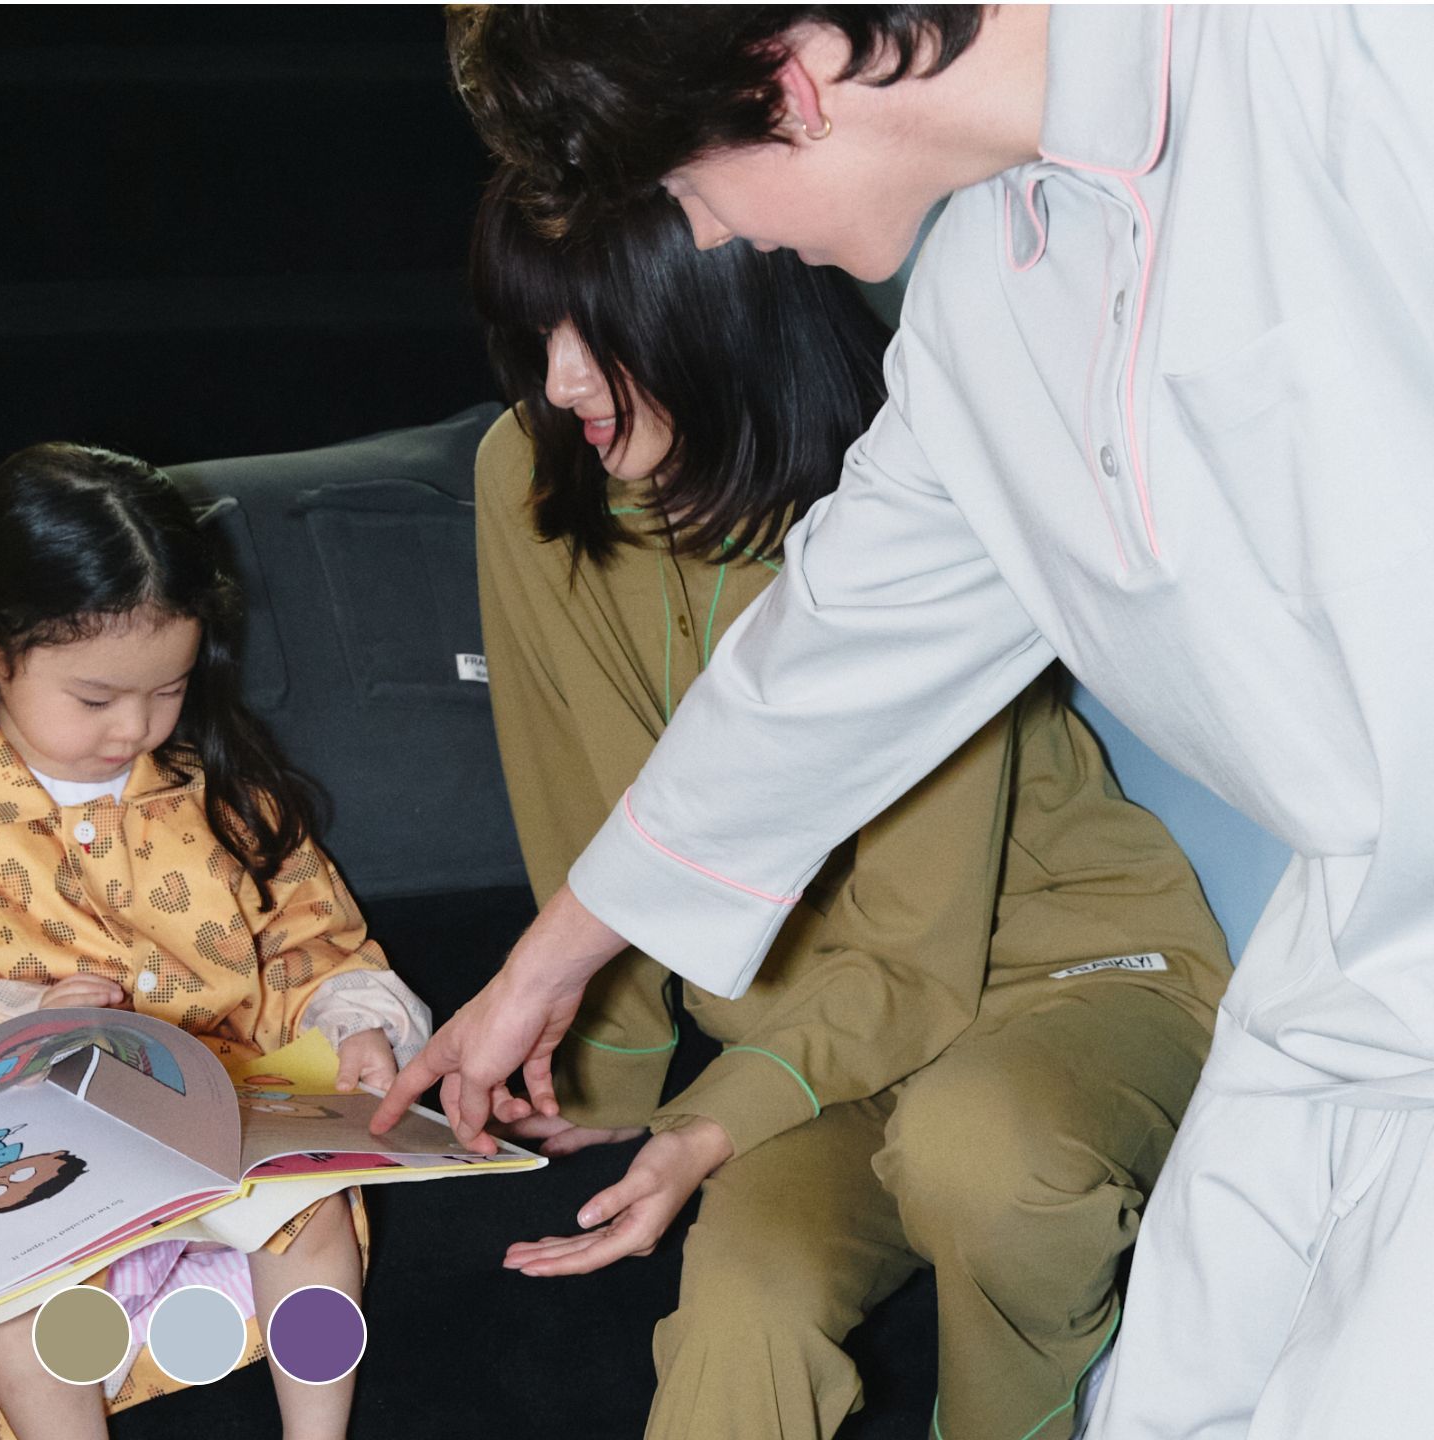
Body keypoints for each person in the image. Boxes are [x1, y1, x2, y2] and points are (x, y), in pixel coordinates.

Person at [374, 7, 1434, 1437]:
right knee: (1170, 1400)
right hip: (1348, 966)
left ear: (787, 83)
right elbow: (822, 662)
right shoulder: (987, 294)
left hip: (1357, 952)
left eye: (684, 189)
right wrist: (546, 970)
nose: (710, 238)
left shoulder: (1348, 52)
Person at [466, 170, 1228, 1439]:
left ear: (719, 305)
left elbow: (921, 951)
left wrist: (715, 1120)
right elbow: (577, 791)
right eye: (535, 327)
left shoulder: (913, 502)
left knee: (976, 1153)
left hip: (1067, 981)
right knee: (745, 1310)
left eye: (599, 329)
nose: (560, 380)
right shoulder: (534, 473)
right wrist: (601, 1066)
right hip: (823, 1028)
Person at [0, 442, 432, 1440]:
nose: (136, 728)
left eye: (170, 689)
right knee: (16, 1311)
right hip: (37, 1161)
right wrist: (26, 1020)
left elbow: (320, 946)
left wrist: (358, 1026)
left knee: (313, 1223)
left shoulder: (224, 794)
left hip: (224, 1126)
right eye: (97, 699)